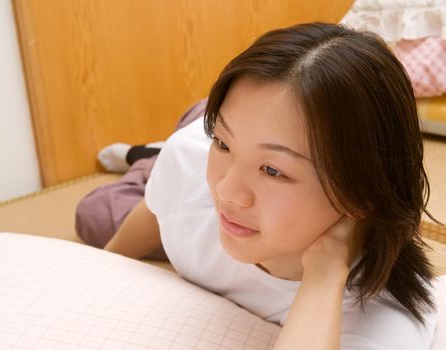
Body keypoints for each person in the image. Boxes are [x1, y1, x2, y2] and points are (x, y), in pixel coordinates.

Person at [83, 22, 442, 349]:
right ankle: (155, 151)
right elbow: (163, 205)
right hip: (201, 129)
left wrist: (324, 274)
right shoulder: (190, 160)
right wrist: (102, 267)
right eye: (221, 143)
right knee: (97, 213)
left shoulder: (383, 323)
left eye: (272, 171)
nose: (225, 192)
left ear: (360, 194)